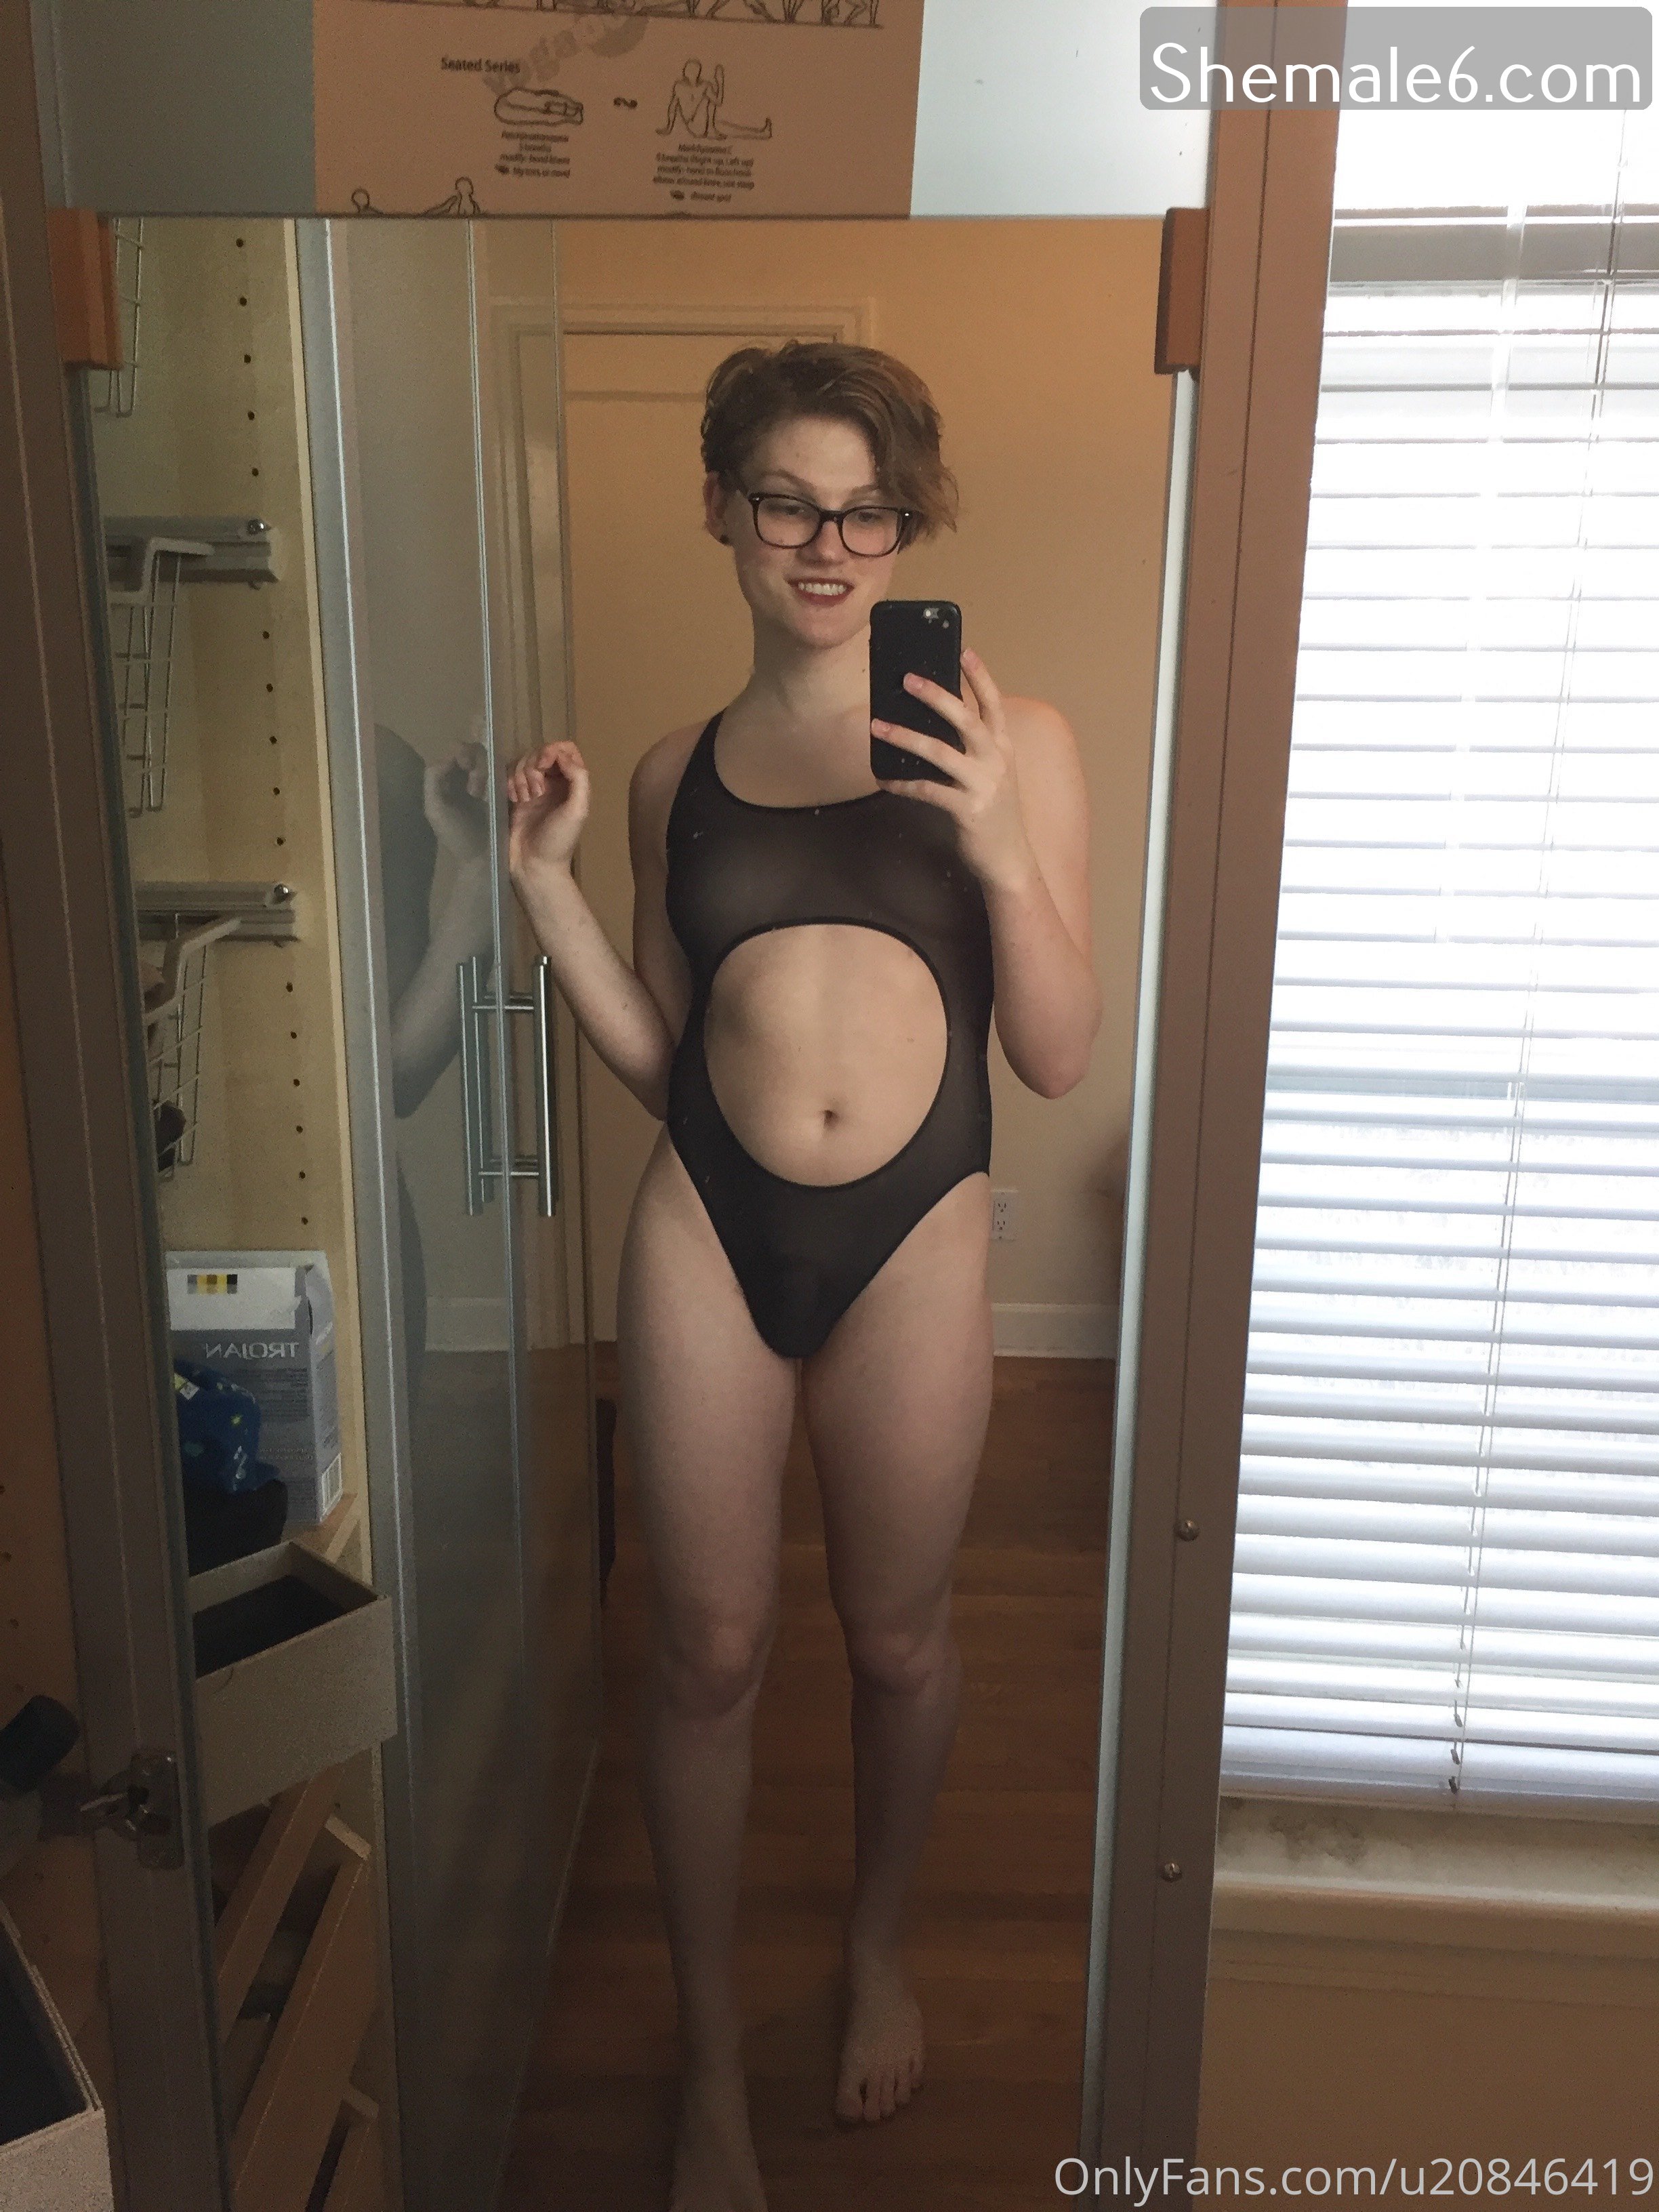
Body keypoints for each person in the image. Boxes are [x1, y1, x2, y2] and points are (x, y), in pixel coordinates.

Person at [506, 340, 1099, 2212]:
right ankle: (709, 2064)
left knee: (900, 1637)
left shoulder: (1017, 739)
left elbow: (1059, 1056)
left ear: (906, 527)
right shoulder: (674, 774)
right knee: (705, 1651)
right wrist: (544, 890)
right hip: (707, 1220)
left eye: (867, 511)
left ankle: (876, 1949)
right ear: (723, 509)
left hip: (917, 1231)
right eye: (789, 502)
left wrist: (998, 846)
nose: (829, 545)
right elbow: (667, 1054)